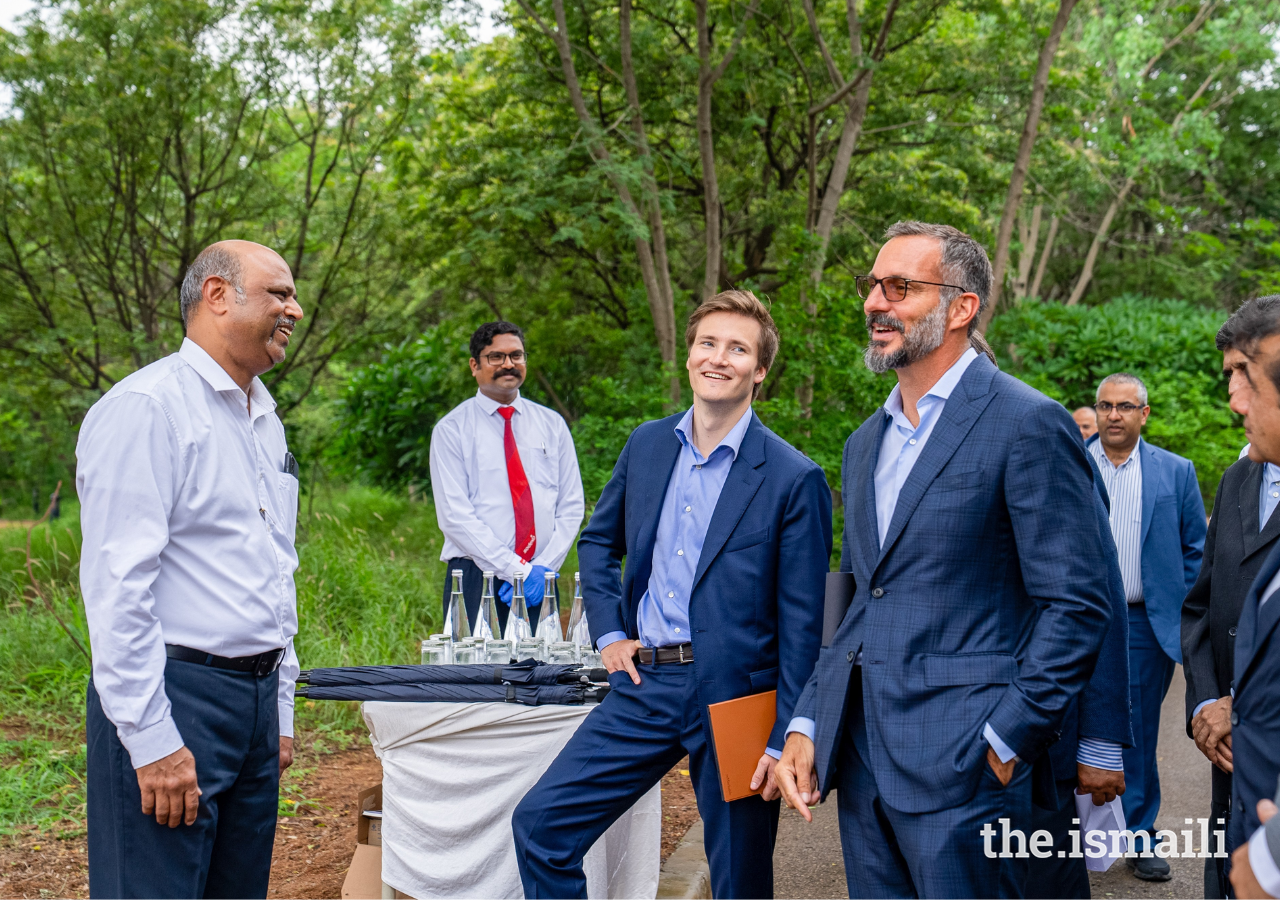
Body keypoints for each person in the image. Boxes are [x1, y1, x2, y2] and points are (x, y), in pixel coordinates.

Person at [775, 220, 1113, 898]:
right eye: (872, 285)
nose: (876, 302)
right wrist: (809, 720)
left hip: (971, 771)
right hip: (865, 763)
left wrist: (1006, 737)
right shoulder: (865, 442)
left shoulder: (1026, 422)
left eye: (900, 286)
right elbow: (861, 601)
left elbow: (1077, 604)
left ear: (962, 307)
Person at [511, 290, 832, 899]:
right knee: (541, 826)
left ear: (759, 370)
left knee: (739, 880)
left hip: (739, 701)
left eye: (738, 348)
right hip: (646, 686)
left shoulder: (794, 479)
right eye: (707, 343)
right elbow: (599, 544)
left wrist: (782, 736)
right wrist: (608, 632)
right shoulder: (649, 444)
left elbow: (803, 626)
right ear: (689, 356)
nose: (719, 358)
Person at [78, 241, 305, 898]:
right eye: (278, 293)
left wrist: (279, 711)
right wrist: (150, 737)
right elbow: (119, 585)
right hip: (176, 695)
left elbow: (272, 567)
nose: (294, 308)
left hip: (254, 702)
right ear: (217, 295)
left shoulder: (263, 420)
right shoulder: (148, 408)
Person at [1086, 372, 1206, 880]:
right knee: (1058, 728)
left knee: (1133, 735)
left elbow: (1196, 551)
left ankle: (1138, 835)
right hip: (1072, 621)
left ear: (1144, 414)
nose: (1114, 415)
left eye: (1125, 407)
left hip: (1141, 626)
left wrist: (1180, 613)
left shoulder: (1175, 472)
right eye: (1106, 406)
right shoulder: (1071, 461)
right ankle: (1066, 837)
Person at [1183, 296, 1280, 898]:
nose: (1233, 401)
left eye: (1243, 378)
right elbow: (1202, 606)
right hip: (1230, 756)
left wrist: (1237, 706)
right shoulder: (1239, 474)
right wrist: (1205, 710)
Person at [429, 321, 584, 633]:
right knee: (472, 676)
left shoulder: (552, 425)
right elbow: (455, 517)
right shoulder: (452, 430)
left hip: (541, 577)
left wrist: (543, 569)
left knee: (540, 674)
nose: (509, 364)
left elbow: (571, 506)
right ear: (475, 365)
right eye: (496, 357)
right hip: (475, 576)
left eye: (517, 355)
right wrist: (515, 571)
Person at [1025, 448, 1132, 899]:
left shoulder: (1044, 443)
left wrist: (1101, 741)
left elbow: (1097, 596)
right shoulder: (874, 444)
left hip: (1032, 733)